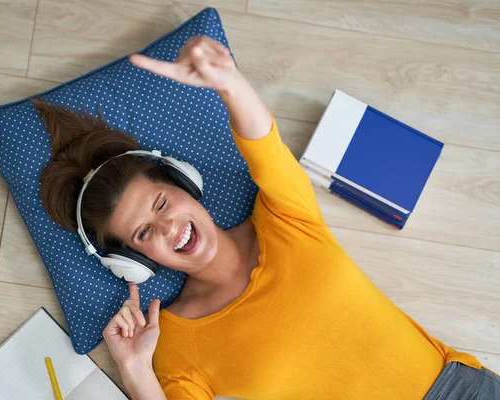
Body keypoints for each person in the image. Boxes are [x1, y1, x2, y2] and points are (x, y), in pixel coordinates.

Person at [34, 37, 500, 399]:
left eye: (161, 205)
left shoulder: (282, 217)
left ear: (184, 183)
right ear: (132, 262)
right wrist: (135, 370)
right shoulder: (177, 344)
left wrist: (228, 83)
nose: (168, 228)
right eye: (142, 234)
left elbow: (263, 143)